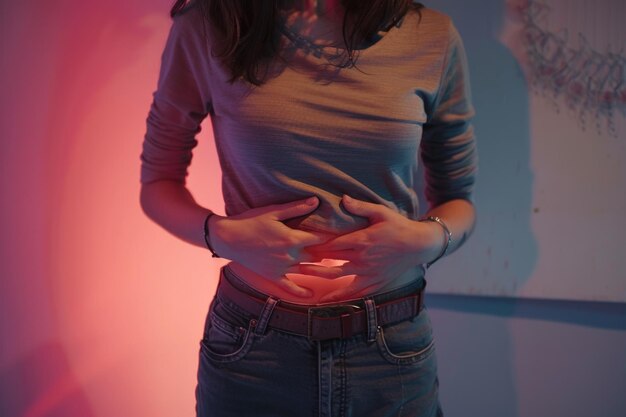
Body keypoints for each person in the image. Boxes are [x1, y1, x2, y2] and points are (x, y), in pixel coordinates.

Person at [140, 0, 477, 415]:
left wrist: (425, 239)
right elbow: (157, 184)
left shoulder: (432, 35)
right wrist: (222, 235)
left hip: (390, 352)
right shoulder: (211, 25)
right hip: (253, 352)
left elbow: (459, 200)